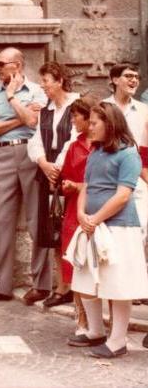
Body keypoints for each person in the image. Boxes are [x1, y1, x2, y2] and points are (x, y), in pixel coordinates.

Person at [66, 102, 148, 358]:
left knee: (117, 283)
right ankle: (95, 331)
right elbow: (86, 187)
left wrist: (96, 218)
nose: (89, 128)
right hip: (91, 224)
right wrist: (82, 215)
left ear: (110, 124)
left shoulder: (128, 155)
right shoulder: (95, 153)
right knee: (85, 278)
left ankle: (118, 340)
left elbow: (123, 195)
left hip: (119, 227)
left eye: (93, 123)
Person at [0, 47, 50, 305]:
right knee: (3, 219)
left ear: (17, 66)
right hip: (2, 155)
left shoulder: (37, 91)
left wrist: (11, 99)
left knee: (36, 219)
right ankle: (0, 285)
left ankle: (41, 284)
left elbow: (34, 122)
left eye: (1, 64)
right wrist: (18, 117)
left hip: (31, 154)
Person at [26, 62, 79, 307]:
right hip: (48, 175)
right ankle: (63, 285)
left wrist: (55, 166)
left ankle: (73, 284)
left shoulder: (76, 105)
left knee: (70, 230)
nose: (43, 86)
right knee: (54, 231)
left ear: (59, 81)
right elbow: (35, 140)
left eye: (46, 80)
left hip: (69, 174)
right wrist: (43, 163)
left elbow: (73, 140)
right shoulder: (46, 110)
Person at [58, 95, 98, 335]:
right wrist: (68, 185)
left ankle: (99, 322)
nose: (73, 120)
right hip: (75, 208)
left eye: (76, 116)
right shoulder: (74, 145)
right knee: (76, 263)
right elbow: (66, 176)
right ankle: (82, 320)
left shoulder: (106, 145)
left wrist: (78, 185)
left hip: (99, 206)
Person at [102, 63, 148, 232]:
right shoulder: (102, 108)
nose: (134, 80)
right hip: (108, 177)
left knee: (142, 227)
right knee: (111, 230)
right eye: (128, 76)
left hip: (138, 177)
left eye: (136, 77)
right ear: (115, 80)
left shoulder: (144, 110)